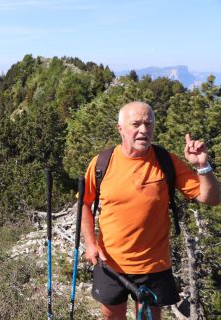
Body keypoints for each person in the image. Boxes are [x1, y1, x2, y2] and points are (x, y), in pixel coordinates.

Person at [81, 101, 220, 320]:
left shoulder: (166, 161)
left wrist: (203, 166)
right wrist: (90, 244)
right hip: (109, 262)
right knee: (111, 317)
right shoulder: (102, 163)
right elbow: (83, 205)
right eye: (136, 124)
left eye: (149, 124)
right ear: (120, 129)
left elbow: (212, 198)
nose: (144, 130)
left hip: (153, 265)